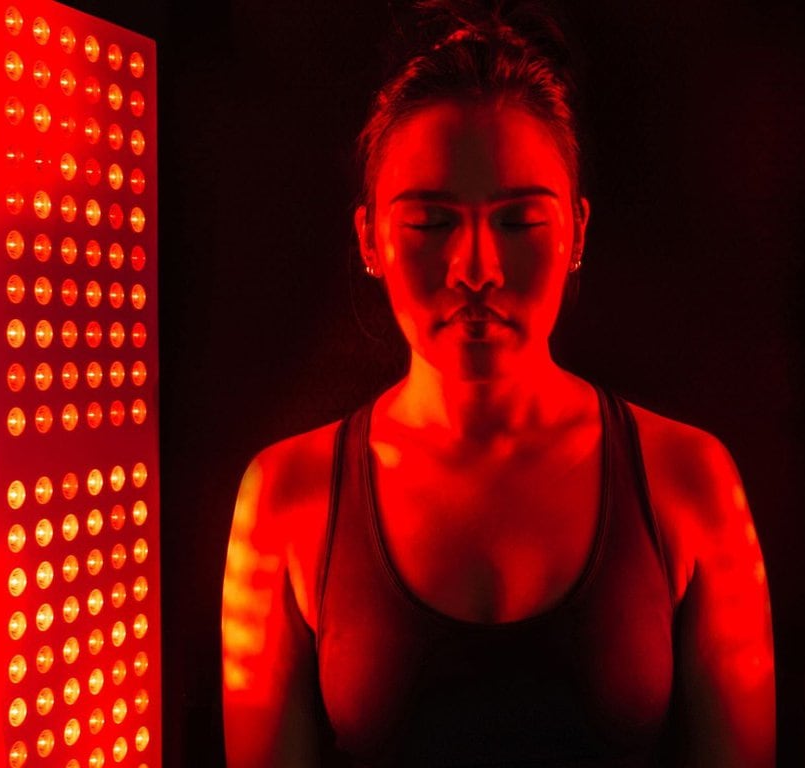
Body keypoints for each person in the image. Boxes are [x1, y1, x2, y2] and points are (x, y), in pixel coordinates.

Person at [221, 2, 775, 765]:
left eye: (519, 221)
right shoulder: (288, 498)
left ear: (576, 232)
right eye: (430, 223)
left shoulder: (690, 482)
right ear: (370, 240)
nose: (476, 269)